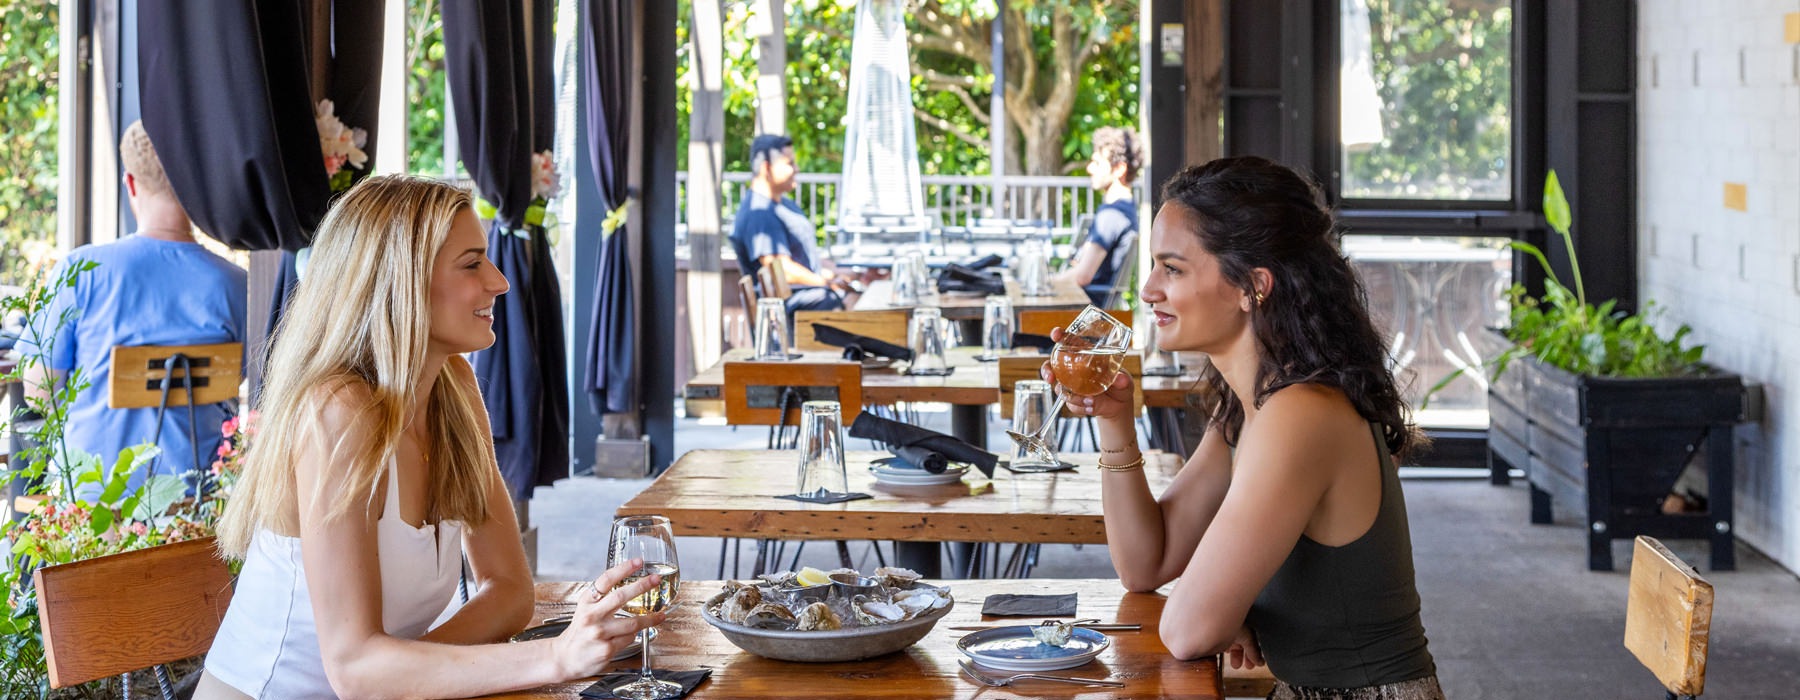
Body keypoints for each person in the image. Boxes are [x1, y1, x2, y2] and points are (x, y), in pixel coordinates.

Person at [197, 176, 666, 699]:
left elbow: (510, 592)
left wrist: (411, 673)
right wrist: (553, 657)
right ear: (400, 281)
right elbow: (354, 669)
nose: (499, 281)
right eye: (471, 264)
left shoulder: (454, 387)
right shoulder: (341, 411)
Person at [1051, 157, 1443, 699]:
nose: (1147, 290)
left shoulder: (1300, 413)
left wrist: (1220, 605)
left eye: (1173, 268)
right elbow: (1146, 565)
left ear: (1252, 287)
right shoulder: (1250, 407)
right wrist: (1116, 419)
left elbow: (1189, 630)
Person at [16, 120, 247, 493]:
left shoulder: (81, 271)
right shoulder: (238, 285)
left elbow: (39, 393)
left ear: (131, 184)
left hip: (93, 511)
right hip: (197, 508)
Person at [729, 133, 854, 313]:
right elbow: (781, 270)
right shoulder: (759, 213)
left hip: (807, 294)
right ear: (767, 168)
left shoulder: (785, 205)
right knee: (843, 302)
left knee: (863, 295)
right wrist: (826, 282)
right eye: (790, 163)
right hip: (788, 309)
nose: (797, 169)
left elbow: (806, 260)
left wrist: (844, 272)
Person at [1054, 126, 1143, 306]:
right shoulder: (1127, 210)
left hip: (1085, 311)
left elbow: (1082, 276)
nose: (1090, 168)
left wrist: (1044, 284)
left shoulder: (1112, 215)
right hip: (1095, 308)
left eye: (1097, 163)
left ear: (1119, 169)